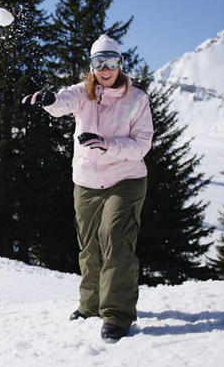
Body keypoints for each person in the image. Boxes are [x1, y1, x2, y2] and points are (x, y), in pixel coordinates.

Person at [22, 35, 154, 342]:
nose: (105, 69)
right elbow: (62, 102)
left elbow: (141, 144)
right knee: (89, 245)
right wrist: (49, 100)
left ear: (121, 65)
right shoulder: (83, 93)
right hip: (87, 181)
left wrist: (107, 145)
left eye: (111, 62)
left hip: (127, 179)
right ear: (91, 66)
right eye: (99, 63)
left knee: (114, 238)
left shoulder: (136, 99)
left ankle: (117, 315)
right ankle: (90, 305)